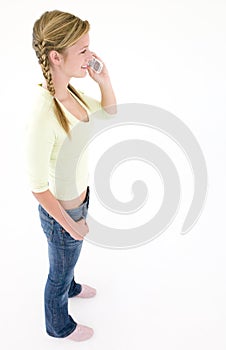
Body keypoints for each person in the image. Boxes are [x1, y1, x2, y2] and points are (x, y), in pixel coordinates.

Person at [25, 10, 117, 342]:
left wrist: (103, 80)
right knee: (59, 273)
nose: (91, 57)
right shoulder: (43, 113)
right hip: (61, 214)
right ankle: (58, 325)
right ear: (56, 56)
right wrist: (70, 224)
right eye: (83, 50)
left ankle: (73, 285)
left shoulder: (72, 94)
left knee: (70, 260)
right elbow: (37, 188)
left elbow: (109, 115)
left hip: (81, 199)